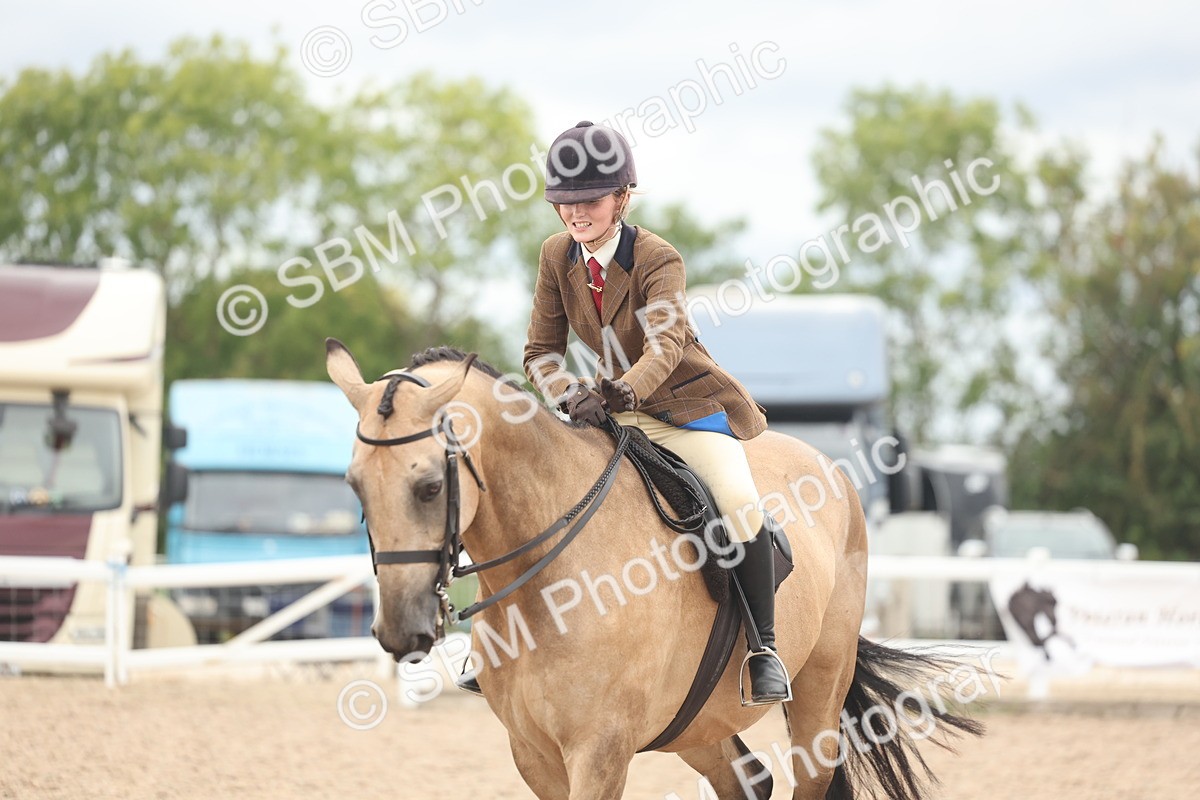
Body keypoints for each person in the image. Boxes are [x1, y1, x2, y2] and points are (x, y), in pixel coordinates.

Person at [517, 120, 789, 705]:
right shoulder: (555, 255)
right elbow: (540, 352)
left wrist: (616, 393)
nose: (575, 214)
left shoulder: (657, 257)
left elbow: (665, 346)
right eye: (564, 202)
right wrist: (566, 395)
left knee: (738, 502)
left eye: (588, 200)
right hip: (602, 410)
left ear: (621, 198)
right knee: (533, 489)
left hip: (680, 406)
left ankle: (765, 648)